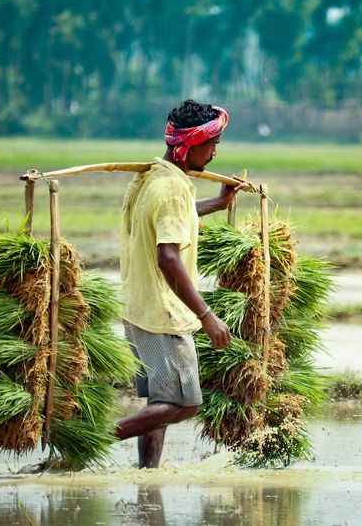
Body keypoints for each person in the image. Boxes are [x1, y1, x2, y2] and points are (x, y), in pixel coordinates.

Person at [115, 99, 240, 468]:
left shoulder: (153, 176)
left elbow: (172, 215)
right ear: (188, 146)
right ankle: (91, 440)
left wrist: (216, 205)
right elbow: (168, 256)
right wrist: (206, 315)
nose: (215, 152)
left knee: (160, 402)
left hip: (137, 307)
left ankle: (147, 473)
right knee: (184, 405)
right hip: (164, 313)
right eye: (211, 143)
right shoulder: (172, 189)